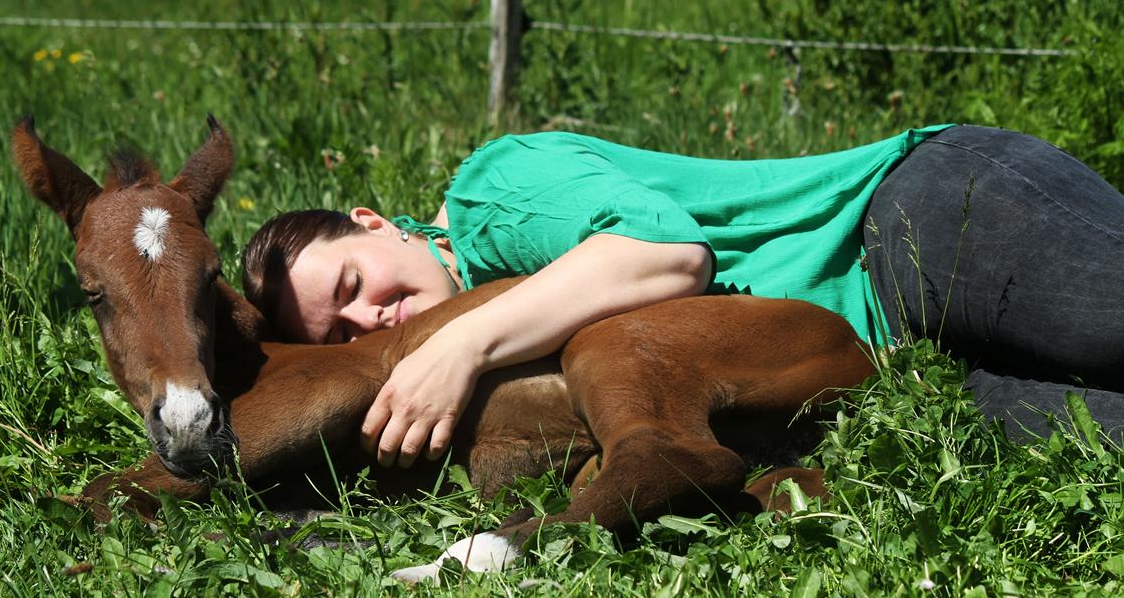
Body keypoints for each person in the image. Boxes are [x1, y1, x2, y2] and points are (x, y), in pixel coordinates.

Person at [242, 126, 1124, 468]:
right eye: (343, 328)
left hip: (909, 225)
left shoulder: (488, 194)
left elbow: (668, 256)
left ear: (375, 220)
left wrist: (457, 346)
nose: (373, 316)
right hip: (897, 377)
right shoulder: (488, 310)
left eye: (355, 283)